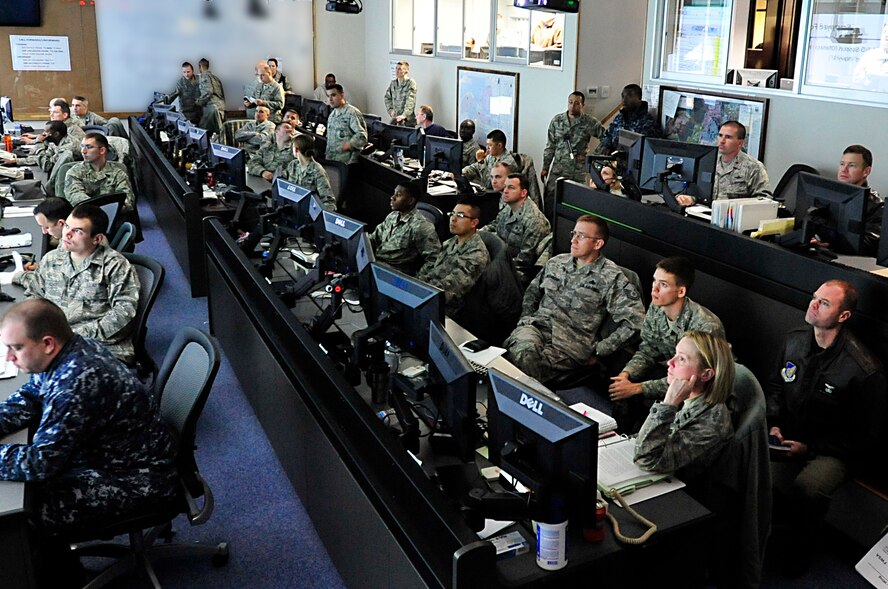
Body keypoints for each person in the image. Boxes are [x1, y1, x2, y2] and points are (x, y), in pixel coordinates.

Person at [0, 299, 176, 558]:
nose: (9, 357)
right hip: (114, 457)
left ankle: (58, 574)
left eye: (16, 348)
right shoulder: (69, 349)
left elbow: (39, 463)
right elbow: (32, 395)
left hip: (137, 479)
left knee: (25, 513)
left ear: (48, 344)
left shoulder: (75, 384)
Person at [766, 280, 886, 568]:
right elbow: (777, 387)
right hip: (792, 432)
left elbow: (863, 437)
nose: (813, 305)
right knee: (746, 451)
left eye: (824, 303)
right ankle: (758, 530)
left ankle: (798, 554)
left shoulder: (863, 369)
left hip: (836, 450)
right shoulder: (794, 341)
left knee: (809, 486)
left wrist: (809, 449)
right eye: (814, 297)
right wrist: (773, 424)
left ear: (843, 316)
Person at [504, 215, 645, 381]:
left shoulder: (611, 277)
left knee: (521, 362)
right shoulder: (557, 262)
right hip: (536, 328)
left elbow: (636, 321)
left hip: (569, 345)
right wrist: (526, 318)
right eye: (574, 234)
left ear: (597, 244)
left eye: (581, 236)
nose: (573, 240)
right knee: (523, 352)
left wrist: (600, 349)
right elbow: (532, 292)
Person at [13, 205, 141, 364]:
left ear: (97, 239)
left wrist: (71, 336)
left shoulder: (115, 266)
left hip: (100, 347)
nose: (67, 234)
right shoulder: (52, 259)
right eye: (67, 226)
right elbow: (34, 294)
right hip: (53, 341)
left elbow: (125, 313)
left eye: (78, 231)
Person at [609, 257, 725, 429]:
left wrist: (638, 388)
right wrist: (627, 375)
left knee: (633, 390)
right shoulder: (657, 307)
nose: (654, 288)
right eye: (654, 280)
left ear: (681, 292)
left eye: (663, 285)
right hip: (672, 369)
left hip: (700, 387)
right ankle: (618, 438)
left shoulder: (705, 326)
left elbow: (691, 379)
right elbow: (648, 350)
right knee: (622, 385)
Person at [633, 331, 735, 474]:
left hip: (679, 490)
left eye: (681, 359)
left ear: (705, 375)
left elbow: (646, 459)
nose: (670, 362)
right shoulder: (689, 398)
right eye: (675, 354)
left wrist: (668, 404)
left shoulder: (712, 425)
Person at [417, 198, 490, 316]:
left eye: (460, 215)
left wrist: (419, 292)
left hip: (449, 311)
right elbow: (432, 270)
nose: (453, 219)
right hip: (429, 295)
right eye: (452, 214)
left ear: (474, 223)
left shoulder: (476, 255)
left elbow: (451, 290)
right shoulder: (451, 241)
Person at [481, 173, 550, 284]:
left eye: (511, 188)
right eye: (505, 187)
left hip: (516, 273)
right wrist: (476, 234)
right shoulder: (508, 207)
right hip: (500, 260)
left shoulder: (535, 221)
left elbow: (525, 262)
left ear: (523, 193)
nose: (505, 191)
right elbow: (495, 225)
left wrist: (493, 265)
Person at [680, 121, 771, 203]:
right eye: (720, 135)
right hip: (705, 215)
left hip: (734, 217)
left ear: (740, 143)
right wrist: (691, 198)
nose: (722, 141)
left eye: (728, 137)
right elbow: (700, 191)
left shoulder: (754, 167)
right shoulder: (709, 162)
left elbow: (765, 200)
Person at [541, 91, 605, 207]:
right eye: (570, 102)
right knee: (550, 200)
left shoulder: (589, 122)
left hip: (578, 171)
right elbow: (550, 145)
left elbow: (606, 138)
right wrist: (545, 166)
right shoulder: (557, 121)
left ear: (582, 105)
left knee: (577, 202)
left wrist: (590, 157)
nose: (572, 106)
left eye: (576, 103)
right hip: (558, 169)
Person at [368, 180, 441, 276]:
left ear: (410, 200)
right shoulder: (392, 216)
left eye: (398, 195)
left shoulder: (421, 226)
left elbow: (434, 258)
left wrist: (418, 280)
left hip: (395, 274)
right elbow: (373, 238)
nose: (392, 198)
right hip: (376, 264)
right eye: (394, 194)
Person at [63, 132, 135, 209]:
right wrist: (105, 207)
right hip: (84, 216)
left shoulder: (118, 173)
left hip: (112, 217)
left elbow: (127, 201)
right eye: (82, 146)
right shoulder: (74, 172)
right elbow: (75, 198)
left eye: (89, 147)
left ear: (102, 150)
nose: (83, 151)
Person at [281, 134, 336, 211]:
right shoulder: (293, 165)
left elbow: (328, 201)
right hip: (292, 208)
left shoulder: (317, 170)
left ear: (296, 149)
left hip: (308, 212)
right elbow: (281, 184)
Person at [598, 84, 659, 154]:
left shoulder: (647, 123)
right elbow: (609, 134)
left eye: (629, 96)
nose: (624, 100)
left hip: (632, 161)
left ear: (639, 98)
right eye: (623, 96)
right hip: (613, 159)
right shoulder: (620, 117)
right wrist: (606, 146)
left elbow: (651, 149)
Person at [2, 121, 78, 173]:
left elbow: (46, 165)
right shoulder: (55, 141)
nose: (43, 134)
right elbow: (44, 158)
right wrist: (16, 161)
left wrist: (39, 143)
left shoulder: (67, 148)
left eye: (46, 132)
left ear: (56, 134)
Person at [325, 84, 368, 166]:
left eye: (333, 95)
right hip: (332, 161)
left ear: (342, 95)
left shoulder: (352, 113)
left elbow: (362, 136)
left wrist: (349, 144)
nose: (330, 99)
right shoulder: (332, 115)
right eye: (328, 96)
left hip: (346, 163)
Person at [852, 20, 888, 89]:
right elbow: (856, 79)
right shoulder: (870, 55)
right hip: (867, 95)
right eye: (884, 32)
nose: (886, 36)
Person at [196, 58, 225, 137]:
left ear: (200, 67)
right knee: (219, 134)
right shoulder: (216, 78)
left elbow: (208, 92)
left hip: (211, 108)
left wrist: (199, 102)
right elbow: (222, 94)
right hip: (220, 109)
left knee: (202, 133)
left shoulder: (204, 76)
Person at [384, 61, 417, 126]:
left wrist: (404, 115)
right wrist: (391, 111)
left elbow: (410, 101)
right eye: (396, 68)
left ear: (406, 71)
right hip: (396, 119)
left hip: (407, 120)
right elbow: (387, 98)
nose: (396, 71)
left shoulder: (410, 83)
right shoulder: (393, 83)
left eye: (399, 69)